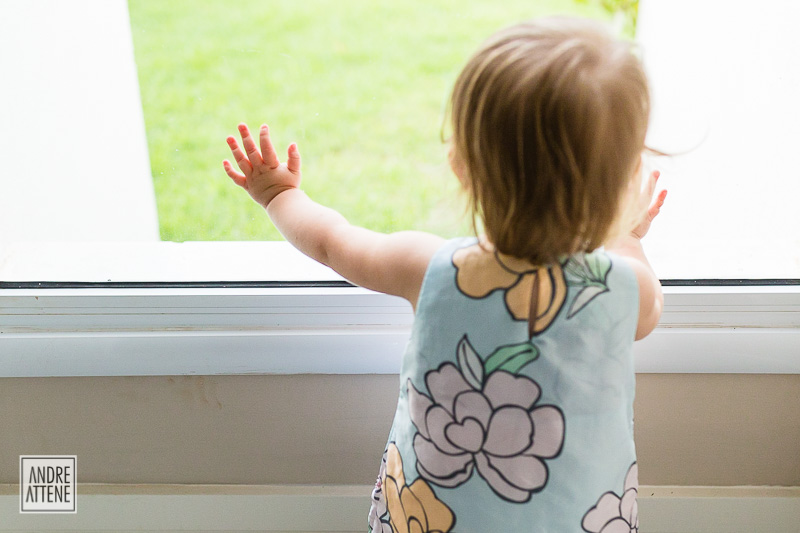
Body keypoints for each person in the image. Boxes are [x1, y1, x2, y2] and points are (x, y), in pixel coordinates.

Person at [223, 16, 666, 533]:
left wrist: (279, 194)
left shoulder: (431, 267)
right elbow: (643, 290)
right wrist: (629, 234)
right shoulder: (624, 287)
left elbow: (332, 242)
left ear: (461, 165)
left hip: (434, 519)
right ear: (621, 185)